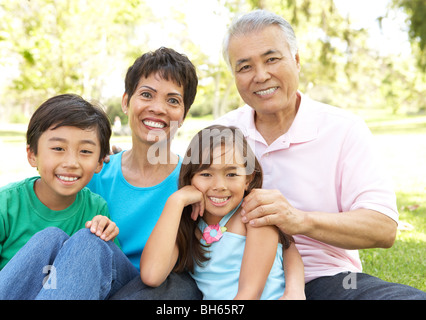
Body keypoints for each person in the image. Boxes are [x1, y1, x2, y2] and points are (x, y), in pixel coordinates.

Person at [215, 9, 426, 299]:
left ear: (297, 60)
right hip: (227, 281)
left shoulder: (344, 129)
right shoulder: (220, 133)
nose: (261, 75)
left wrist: (300, 220)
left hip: (326, 278)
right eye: (245, 67)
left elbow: (383, 227)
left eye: (272, 59)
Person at [0, 94, 138, 299]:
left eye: (86, 151)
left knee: (89, 238)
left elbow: (105, 275)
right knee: (50, 238)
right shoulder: (0, 206)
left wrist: (106, 235)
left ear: (99, 162)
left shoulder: (96, 208)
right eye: (58, 149)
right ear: (32, 154)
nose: (71, 162)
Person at [87, 47, 202, 299]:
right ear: (126, 102)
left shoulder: (192, 184)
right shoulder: (96, 173)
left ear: (183, 116)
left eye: (173, 100)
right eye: (147, 95)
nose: (158, 108)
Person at [140, 125, 305, 300]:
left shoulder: (254, 216)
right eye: (206, 174)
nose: (219, 185)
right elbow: (152, 275)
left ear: (248, 179)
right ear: (190, 178)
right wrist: (176, 201)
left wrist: (295, 290)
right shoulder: (189, 224)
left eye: (231, 174)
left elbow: (249, 294)